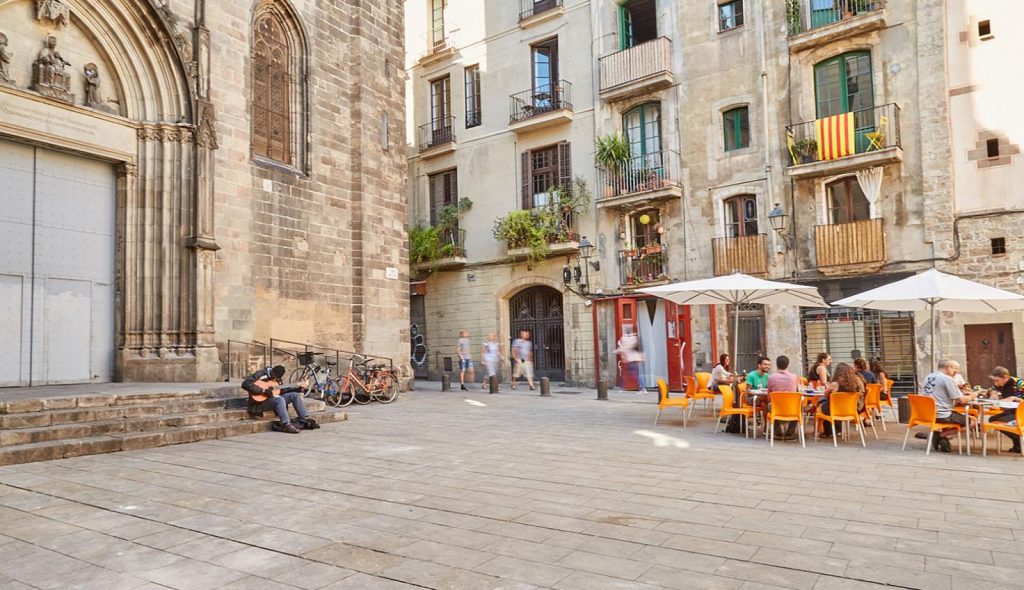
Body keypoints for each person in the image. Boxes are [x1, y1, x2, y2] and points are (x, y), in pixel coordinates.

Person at [241, 365, 318, 434]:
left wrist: (298, 389)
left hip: (272, 399)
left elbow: (281, 391)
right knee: (280, 399)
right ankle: (286, 425)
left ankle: (305, 419)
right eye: (274, 376)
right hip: (259, 403)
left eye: (277, 378)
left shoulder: (278, 378)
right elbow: (245, 384)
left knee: (294, 395)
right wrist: (263, 391)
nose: (275, 379)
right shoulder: (260, 374)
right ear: (272, 371)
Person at [922, 359, 977, 453]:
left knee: (955, 416)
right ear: (948, 367)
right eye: (955, 369)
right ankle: (941, 435)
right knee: (972, 421)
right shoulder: (947, 379)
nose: (957, 372)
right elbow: (960, 400)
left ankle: (943, 439)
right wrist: (973, 395)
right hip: (942, 415)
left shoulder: (928, 377)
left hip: (927, 414)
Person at [818, 363, 864, 436]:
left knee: (823, 406)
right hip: (852, 409)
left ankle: (828, 431)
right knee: (832, 406)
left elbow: (825, 394)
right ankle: (835, 430)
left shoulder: (835, 384)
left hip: (835, 410)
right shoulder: (856, 383)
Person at [986, 366, 1024, 453]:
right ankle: (1018, 442)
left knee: (1003, 421)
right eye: (994, 381)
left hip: (1021, 412)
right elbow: (992, 388)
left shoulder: (1019, 383)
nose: (995, 383)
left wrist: (1014, 398)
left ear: (1005, 377)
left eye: (997, 380)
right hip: (1012, 411)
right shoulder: (1000, 385)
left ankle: (1019, 442)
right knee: (993, 420)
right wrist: (993, 392)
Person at [766, 355, 801, 439]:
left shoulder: (771, 377)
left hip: (777, 408)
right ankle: (790, 433)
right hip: (791, 408)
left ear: (776, 365)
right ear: (788, 365)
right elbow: (797, 391)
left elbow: (769, 396)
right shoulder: (794, 377)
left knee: (770, 406)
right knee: (799, 407)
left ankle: (778, 433)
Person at [615, 327, 644, 392]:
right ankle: (622, 388)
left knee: (633, 375)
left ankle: (642, 388)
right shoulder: (633, 338)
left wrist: (617, 350)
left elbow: (623, 348)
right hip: (630, 360)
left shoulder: (627, 339)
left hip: (631, 360)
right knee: (627, 374)